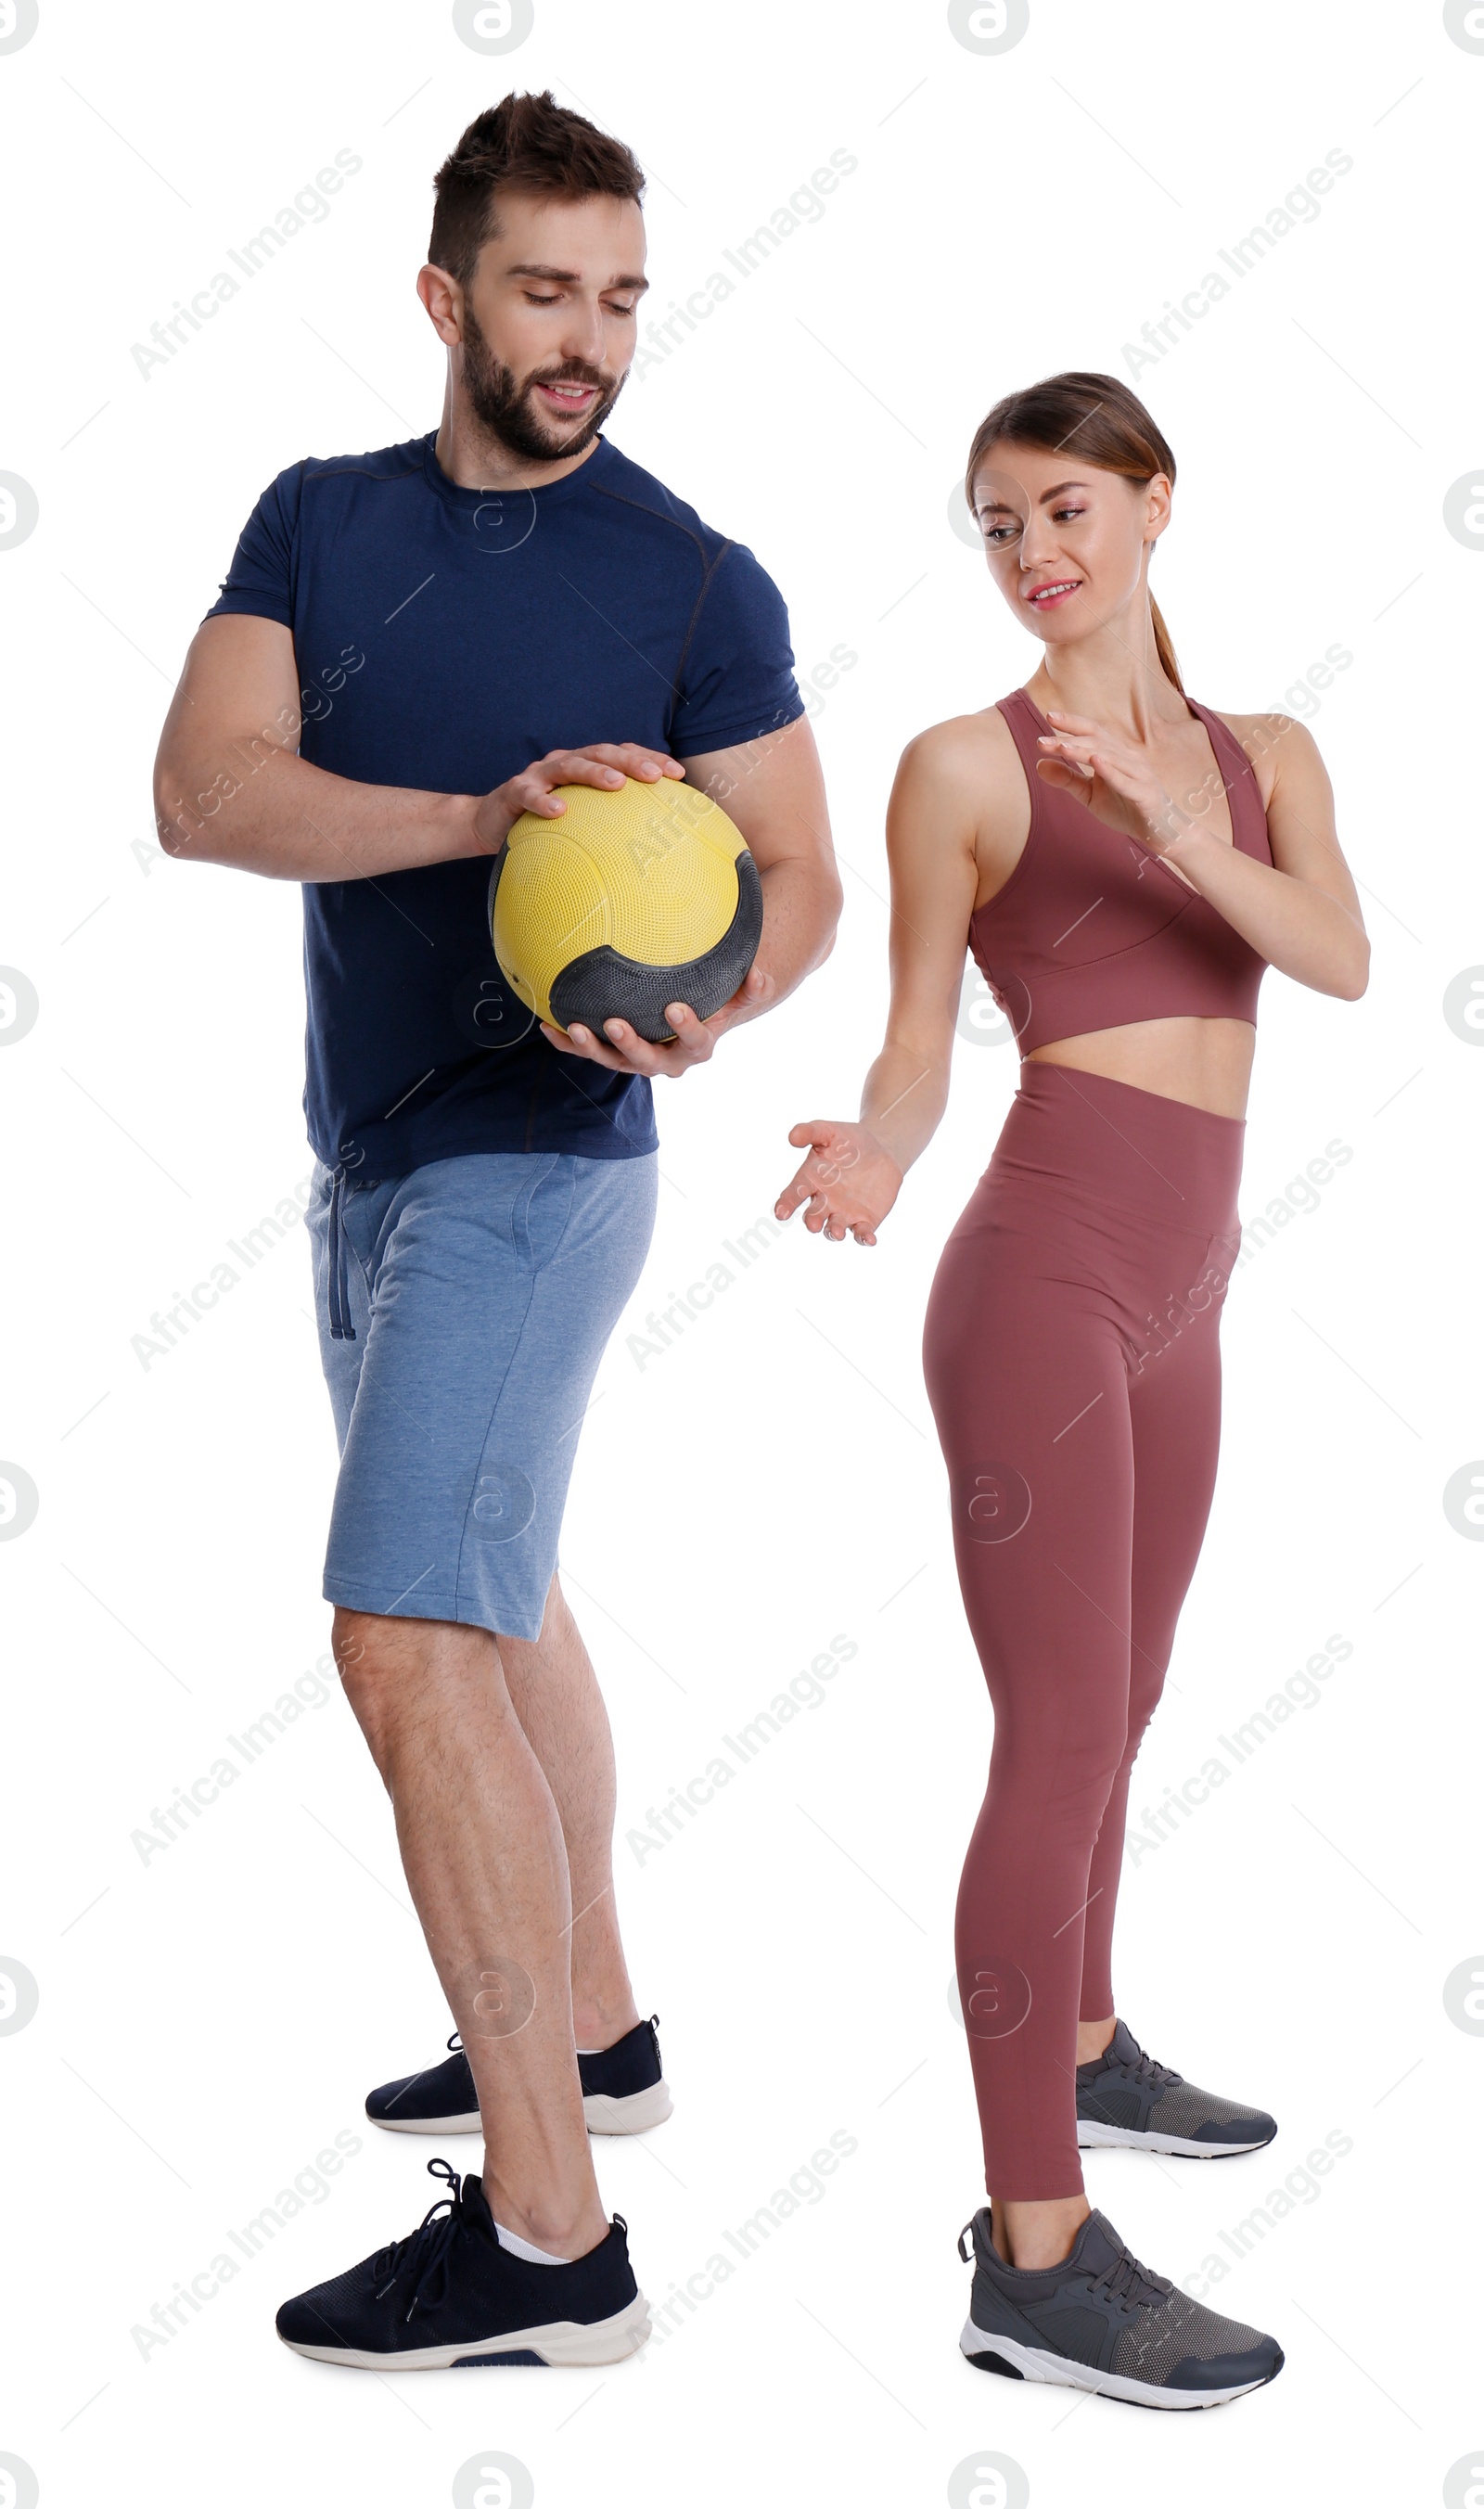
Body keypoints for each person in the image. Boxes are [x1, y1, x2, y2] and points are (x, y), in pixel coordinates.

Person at [152, 89, 839, 2371]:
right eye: (546, 291)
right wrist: (481, 816)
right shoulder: (322, 525)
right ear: (447, 297)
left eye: (622, 294)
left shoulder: (690, 574)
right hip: (362, 1150)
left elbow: (802, 877)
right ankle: (605, 2035)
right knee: (498, 1586)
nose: (589, 338)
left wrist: (715, 1001)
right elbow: (207, 791)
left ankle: (550, 2241)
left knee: (399, 1630)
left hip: (541, 1168)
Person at [775, 371, 1366, 2410]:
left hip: (1186, 1289)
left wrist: (1180, 826)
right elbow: (919, 1044)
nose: (1030, 556)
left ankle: (1090, 2045)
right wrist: (871, 1146)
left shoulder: (1261, 753)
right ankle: (1031, 2252)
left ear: (1150, 508)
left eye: (1058, 512)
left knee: (1128, 1696)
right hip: (1036, 1278)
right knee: (1051, 1737)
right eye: (995, 524)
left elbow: (1336, 959)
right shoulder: (957, 763)